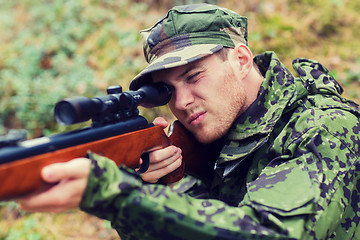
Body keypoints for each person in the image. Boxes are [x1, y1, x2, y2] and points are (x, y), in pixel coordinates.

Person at [18, 3, 360, 239]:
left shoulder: (324, 127)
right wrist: (158, 190)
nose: (181, 102)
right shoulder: (215, 142)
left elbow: (269, 231)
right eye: (167, 91)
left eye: (194, 76)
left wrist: (118, 194)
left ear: (241, 60)